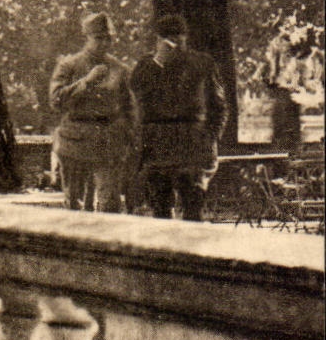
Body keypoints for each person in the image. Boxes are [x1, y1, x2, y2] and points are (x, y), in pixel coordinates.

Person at [129, 13, 228, 221]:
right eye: (168, 39)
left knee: (193, 208)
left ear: (186, 39)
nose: (174, 45)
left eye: (179, 39)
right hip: (158, 145)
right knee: (160, 210)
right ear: (158, 40)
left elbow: (219, 106)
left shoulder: (202, 63)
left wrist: (210, 138)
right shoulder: (147, 66)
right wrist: (158, 63)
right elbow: (137, 97)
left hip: (192, 143)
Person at [48, 12, 132, 212]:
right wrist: (85, 82)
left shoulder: (119, 69)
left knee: (110, 203)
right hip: (75, 140)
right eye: (98, 38)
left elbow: (130, 107)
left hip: (108, 141)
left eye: (108, 38)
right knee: (75, 204)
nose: (104, 43)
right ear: (86, 38)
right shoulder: (69, 65)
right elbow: (56, 100)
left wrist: (128, 135)